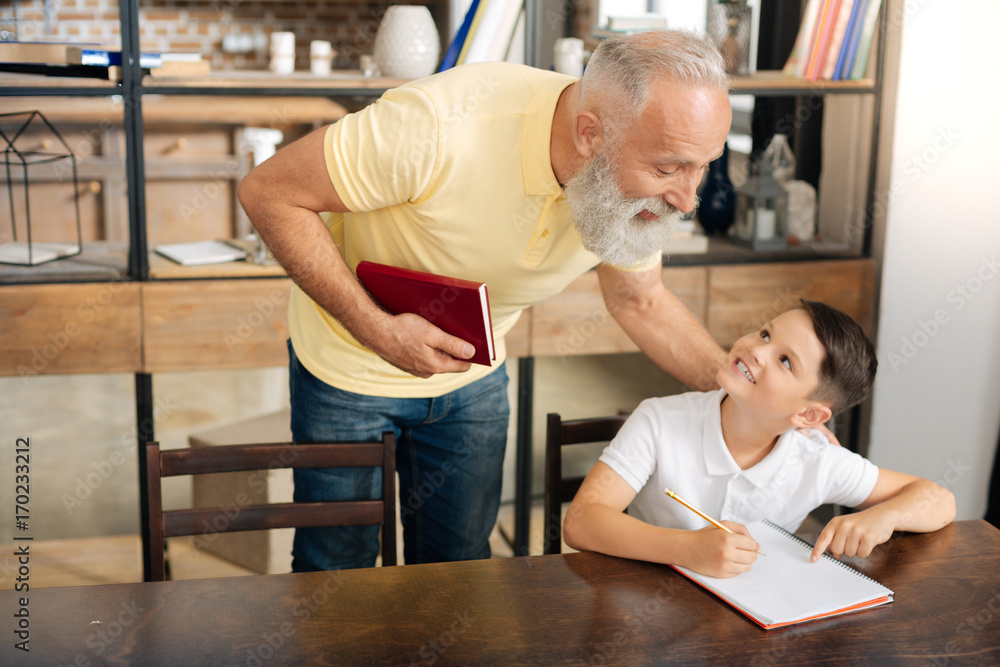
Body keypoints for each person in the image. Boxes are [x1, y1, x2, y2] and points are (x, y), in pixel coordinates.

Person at [238, 29, 752, 570]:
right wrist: (378, 330)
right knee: (335, 568)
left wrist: (746, 392)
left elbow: (641, 301)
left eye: (704, 164)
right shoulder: (436, 126)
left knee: (460, 569)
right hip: (347, 367)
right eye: (668, 168)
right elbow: (268, 192)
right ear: (590, 136)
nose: (687, 199)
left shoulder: (642, 181)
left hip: (473, 378)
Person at [563, 300, 957, 578]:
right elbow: (581, 523)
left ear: (808, 415)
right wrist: (685, 549)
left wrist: (884, 516)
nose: (757, 350)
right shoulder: (659, 420)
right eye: (766, 334)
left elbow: (939, 499)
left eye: (785, 361)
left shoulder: (815, 458)